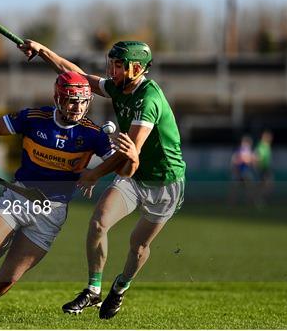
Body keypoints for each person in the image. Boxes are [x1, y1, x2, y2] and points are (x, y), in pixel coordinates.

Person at [19, 40, 186, 319]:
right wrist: (43, 51)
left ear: (136, 68)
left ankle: (120, 288)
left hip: (164, 183)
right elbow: (78, 77)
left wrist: (94, 174)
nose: (113, 71)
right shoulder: (120, 88)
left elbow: (130, 153)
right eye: (112, 65)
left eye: (118, 66)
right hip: (134, 177)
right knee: (98, 222)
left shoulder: (148, 100)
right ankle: (93, 290)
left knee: (138, 245)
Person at [0, 72, 120, 321]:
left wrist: (98, 172)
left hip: (52, 212)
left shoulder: (94, 134)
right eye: (72, 100)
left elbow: (120, 163)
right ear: (58, 98)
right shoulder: (34, 118)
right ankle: (6, 236)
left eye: (83, 102)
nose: (77, 107)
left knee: (7, 279)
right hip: (19, 197)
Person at [228, 135, 255, 206]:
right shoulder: (240, 150)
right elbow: (236, 161)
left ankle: (248, 202)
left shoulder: (247, 150)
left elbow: (251, 160)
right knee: (235, 188)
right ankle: (232, 203)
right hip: (240, 172)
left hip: (245, 172)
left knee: (248, 188)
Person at [254, 130, 274, 206]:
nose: (270, 139)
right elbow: (257, 157)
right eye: (268, 137)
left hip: (266, 168)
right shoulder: (261, 146)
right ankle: (258, 200)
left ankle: (262, 200)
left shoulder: (267, 146)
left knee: (268, 185)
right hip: (262, 168)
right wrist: (257, 166)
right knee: (264, 185)